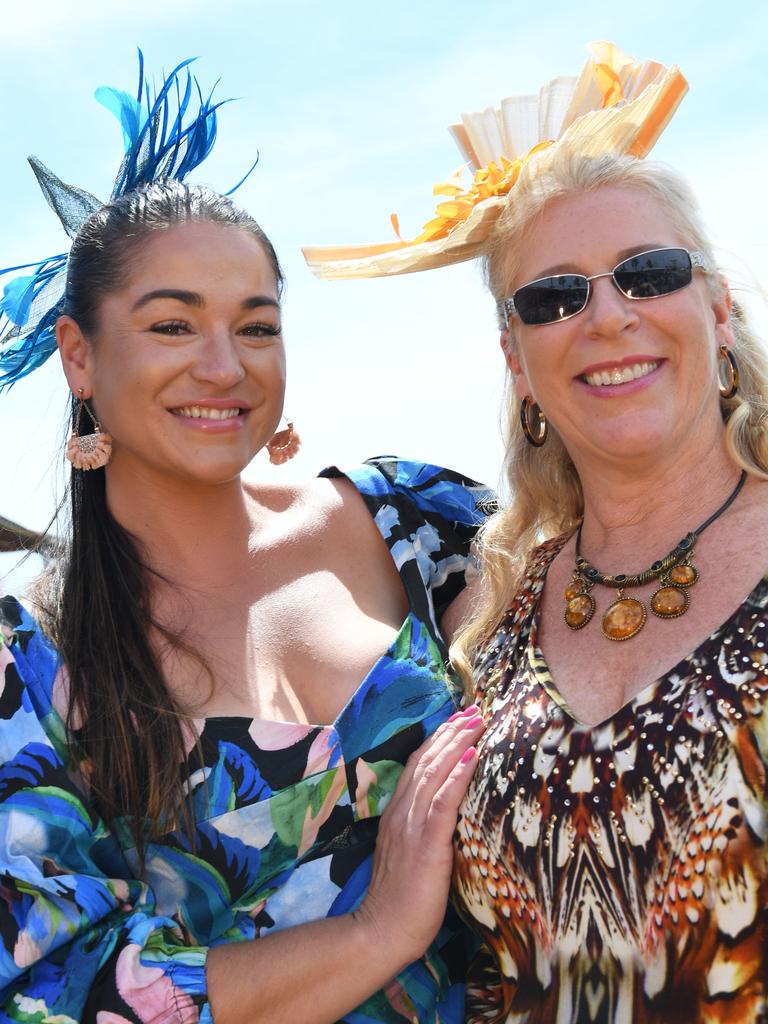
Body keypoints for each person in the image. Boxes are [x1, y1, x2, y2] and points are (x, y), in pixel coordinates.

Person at [0, 59, 491, 1023]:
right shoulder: (32, 668)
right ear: (79, 355)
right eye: (173, 325)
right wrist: (374, 933)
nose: (223, 367)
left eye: (256, 327)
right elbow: (52, 995)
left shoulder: (423, 524)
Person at [448, 147, 768, 1023]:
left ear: (717, 308)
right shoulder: (497, 615)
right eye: (555, 297)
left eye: (648, 273)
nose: (608, 317)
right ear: (517, 359)